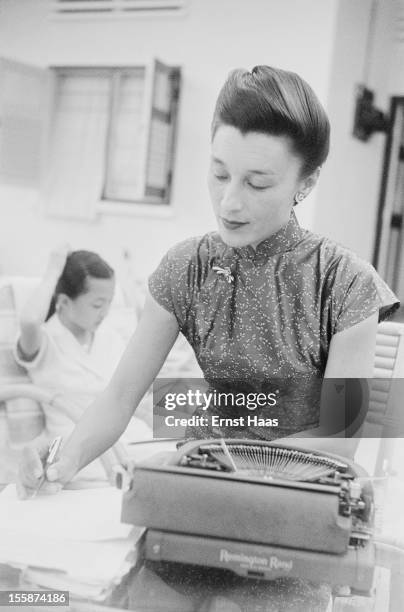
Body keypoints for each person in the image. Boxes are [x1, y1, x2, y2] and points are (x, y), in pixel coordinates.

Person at [18, 66, 399, 610]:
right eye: (219, 174)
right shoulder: (186, 268)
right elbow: (120, 398)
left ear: (306, 183)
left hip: (292, 519)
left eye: (257, 182)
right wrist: (61, 456)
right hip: (196, 509)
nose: (229, 202)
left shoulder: (347, 285)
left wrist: (214, 468)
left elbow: (339, 440)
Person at [14, 246, 151, 481]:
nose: (105, 312)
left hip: (132, 442)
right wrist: (53, 271)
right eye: (97, 305)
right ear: (64, 302)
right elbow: (28, 320)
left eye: (109, 303)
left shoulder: (111, 336)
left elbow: (133, 394)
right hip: (76, 457)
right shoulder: (44, 343)